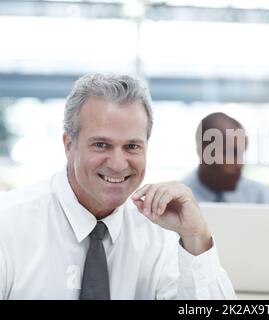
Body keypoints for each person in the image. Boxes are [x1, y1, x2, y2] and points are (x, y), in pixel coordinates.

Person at [0, 74, 236, 299]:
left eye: (132, 146)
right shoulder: (9, 224)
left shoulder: (161, 230)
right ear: (69, 146)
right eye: (101, 145)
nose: (117, 164)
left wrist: (196, 238)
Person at [183, 112, 269, 204]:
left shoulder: (261, 198)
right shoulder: (180, 201)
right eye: (232, 153)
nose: (240, 163)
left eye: (242, 154)